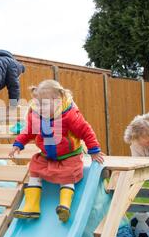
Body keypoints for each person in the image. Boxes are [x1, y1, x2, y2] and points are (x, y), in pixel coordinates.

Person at [9, 80, 104, 223]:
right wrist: (18, 143)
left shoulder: (69, 115)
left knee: (68, 173)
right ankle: (32, 206)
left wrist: (94, 150)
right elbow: (28, 131)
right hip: (46, 156)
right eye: (39, 104)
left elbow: (85, 130)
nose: (41, 108)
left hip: (69, 155)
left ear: (58, 100)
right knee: (34, 168)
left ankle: (64, 205)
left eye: (45, 104)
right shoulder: (36, 115)